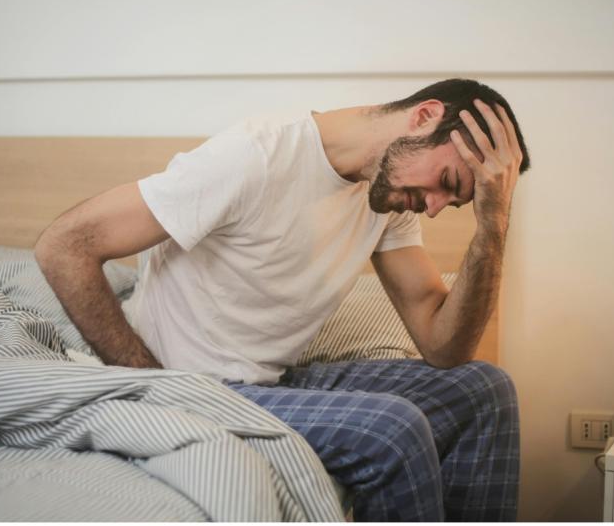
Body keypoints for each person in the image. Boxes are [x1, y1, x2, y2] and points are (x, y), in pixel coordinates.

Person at [35, 78, 530, 521]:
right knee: (391, 431)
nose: (438, 207)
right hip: (192, 384)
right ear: (424, 116)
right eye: (446, 183)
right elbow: (65, 245)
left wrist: (493, 223)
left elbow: (444, 348)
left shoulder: (388, 197)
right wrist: (154, 386)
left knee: (482, 390)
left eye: (457, 202)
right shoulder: (256, 156)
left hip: (268, 381)